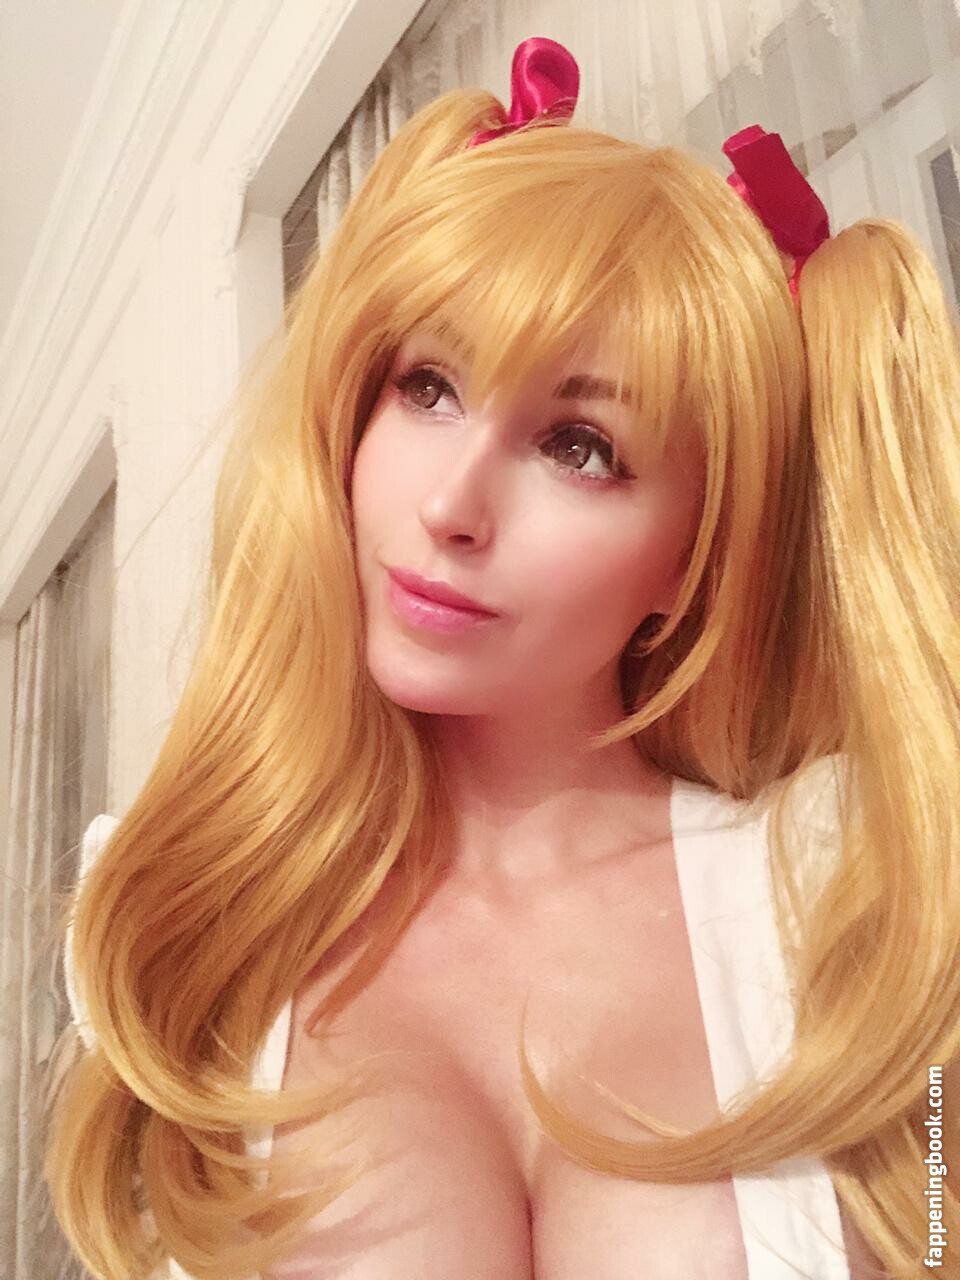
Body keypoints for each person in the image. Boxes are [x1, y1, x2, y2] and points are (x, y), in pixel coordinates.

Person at [47, 35, 960, 1280]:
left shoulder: (848, 902)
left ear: (694, 556)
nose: (450, 504)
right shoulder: (186, 914)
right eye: (427, 386)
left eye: (580, 447)